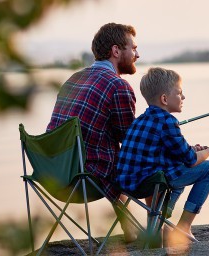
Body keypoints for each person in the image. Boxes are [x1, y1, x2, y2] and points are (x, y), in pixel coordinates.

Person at [46, 23, 140, 241]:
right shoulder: (118, 86)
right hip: (84, 179)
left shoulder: (73, 79)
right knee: (142, 160)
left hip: (52, 173)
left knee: (110, 157)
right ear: (116, 51)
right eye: (133, 48)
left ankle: (130, 230)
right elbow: (129, 142)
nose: (137, 54)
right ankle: (155, 232)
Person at [116, 67, 209, 244]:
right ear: (165, 99)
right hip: (151, 183)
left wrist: (193, 149)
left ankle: (159, 224)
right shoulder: (168, 121)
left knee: (176, 167)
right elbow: (190, 160)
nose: (183, 98)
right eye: (180, 93)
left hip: (127, 184)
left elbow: (165, 150)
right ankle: (183, 226)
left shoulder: (140, 120)